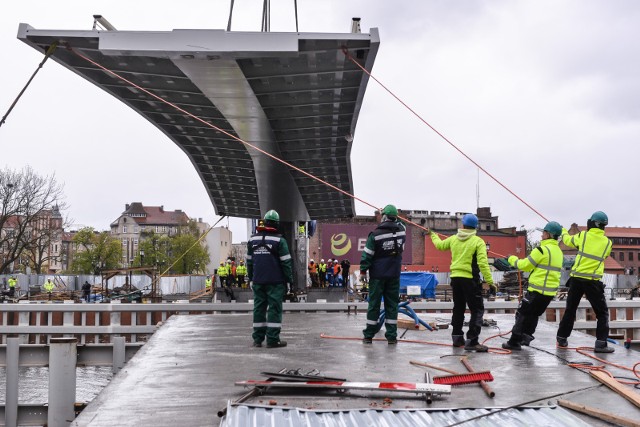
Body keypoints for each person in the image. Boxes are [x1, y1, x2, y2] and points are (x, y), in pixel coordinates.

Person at [429, 213, 494, 352]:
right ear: (475, 227)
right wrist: (490, 282)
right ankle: (472, 341)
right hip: (470, 279)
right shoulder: (478, 241)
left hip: (455, 278)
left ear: (463, 225)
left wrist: (433, 235)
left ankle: (457, 338)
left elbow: (439, 246)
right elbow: (483, 264)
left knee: (458, 308)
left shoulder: (453, 239)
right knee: (476, 309)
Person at [557, 211, 614, 353]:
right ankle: (601, 344)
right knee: (602, 313)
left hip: (576, 280)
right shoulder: (607, 243)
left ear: (592, 223)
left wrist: (563, 231)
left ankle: (562, 338)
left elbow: (568, 241)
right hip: (593, 282)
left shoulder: (583, 236)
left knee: (570, 310)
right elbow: (604, 255)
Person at [502, 222, 564, 350]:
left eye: (543, 233)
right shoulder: (558, 252)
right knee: (533, 314)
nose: (542, 235)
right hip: (549, 293)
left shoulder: (541, 250)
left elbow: (525, 265)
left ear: (548, 234)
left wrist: (511, 259)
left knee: (522, 314)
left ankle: (514, 342)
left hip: (536, 290)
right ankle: (526, 337)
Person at [361, 204, 406, 345]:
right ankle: (391, 336)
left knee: (374, 305)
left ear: (384, 217)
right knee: (392, 306)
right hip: (394, 275)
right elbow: (403, 224)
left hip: (378, 276)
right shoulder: (401, 232)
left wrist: (363, 270)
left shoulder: (375, 235)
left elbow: (367, 255)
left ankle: (368, 335)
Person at [247, 209, 293, 348]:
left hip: (258, 281)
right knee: (274, 309)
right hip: (275, 282)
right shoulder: (280, 241)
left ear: (264, 222)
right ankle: (273, 340)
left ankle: (257, 340)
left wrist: (251, 278)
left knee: (259, 308)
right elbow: (286, 263)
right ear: (276, 224)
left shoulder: (252, 240)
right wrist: (289, 281)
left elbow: (249, 262)